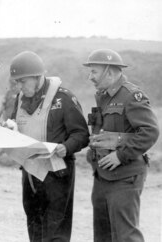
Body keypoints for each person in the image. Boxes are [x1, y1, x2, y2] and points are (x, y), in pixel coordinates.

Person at [10, 51, 89, 242]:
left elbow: (82, 134)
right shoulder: (20, 99)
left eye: (23, 81)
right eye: (17, 82)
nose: (19, 86)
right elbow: (15, 123)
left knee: (56, 232)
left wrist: (66, 147)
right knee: (34, 226)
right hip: (29, 173)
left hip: (58, 174)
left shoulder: (64, 98)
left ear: (38, 77)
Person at [83, 49, 160, 242]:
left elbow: (150, 131)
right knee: (103, 235)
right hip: (102, 175)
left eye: (94, 72)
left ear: (109, 72)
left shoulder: (131, 96)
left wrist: (120, 155)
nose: (89, 76)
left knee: (125, 236)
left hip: (125, 176)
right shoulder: (103, 96)